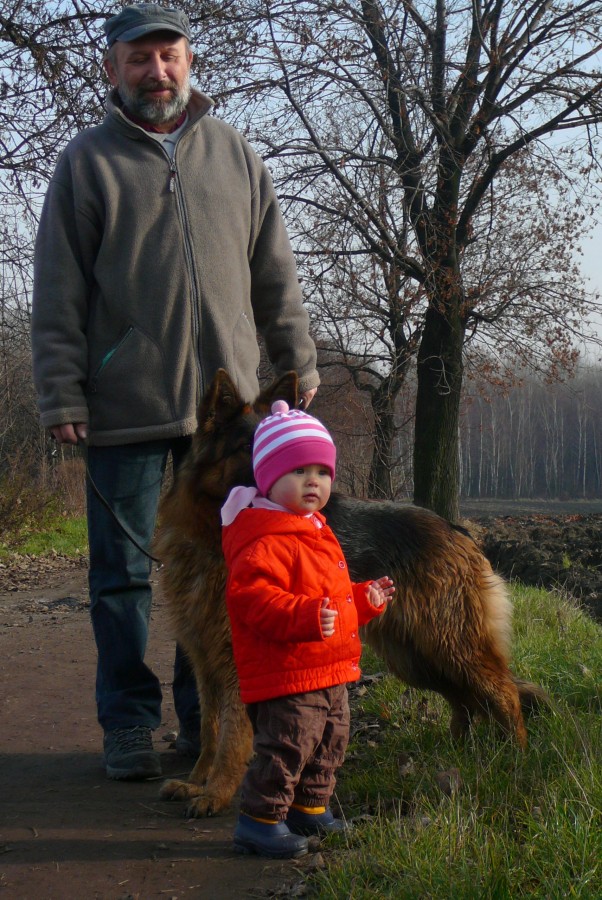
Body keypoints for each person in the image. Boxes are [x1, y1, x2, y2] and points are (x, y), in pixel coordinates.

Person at [30, 3, 320, 782]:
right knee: (121, 577)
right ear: (111, 69)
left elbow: (274, 274)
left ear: (190, 62)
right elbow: (57, 292)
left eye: (169, 56)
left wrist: (296, 362)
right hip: (121, 408)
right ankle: (128, 722)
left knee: (229, 573)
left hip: (228, 420)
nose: (156, 72)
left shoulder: (235, 153)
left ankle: (207, 723)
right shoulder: (85, 163)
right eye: (138, 58)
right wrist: (62, 393)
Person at [221, 401, 395, 858]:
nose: (313, 480)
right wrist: (303, 616)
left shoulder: (314, 527)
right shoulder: (261, 536)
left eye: (322, 470)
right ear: (267, 478)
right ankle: (259, 820)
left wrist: (362, 600)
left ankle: (310, 807)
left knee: (329, 741)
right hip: (287, 673)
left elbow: (330, 598)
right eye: (299, 470)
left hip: (328, 669)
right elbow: (251, 600)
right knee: (286, 746)